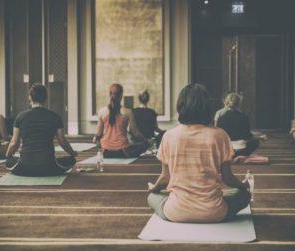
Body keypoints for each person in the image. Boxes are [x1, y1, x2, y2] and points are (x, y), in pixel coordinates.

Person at [147, 84, 250, 223]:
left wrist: (154, 188)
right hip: (214, 212)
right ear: (207, 107)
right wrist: (244, 186)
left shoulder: (169, 136)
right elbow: (228, 179)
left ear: (180, 106)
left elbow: (165, 179)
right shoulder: (220, 135)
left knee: (152, 197)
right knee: (244, 195)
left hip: (176, 212)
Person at [6, 84, 77, 176]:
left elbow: (14, 142)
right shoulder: (55, 117)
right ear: (45, 98)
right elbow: (62, 141)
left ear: (30, 97)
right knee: (71, 160)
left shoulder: (20, 117)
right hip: (48, 167)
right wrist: (73, 153)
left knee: (8, 161)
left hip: (24, 167)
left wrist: (7, 156)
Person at [94, 83, 149, 158]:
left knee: (97, 142)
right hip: (122, 151)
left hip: (106, 151)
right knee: (143, 145)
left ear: (109, 95)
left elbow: (98, 134)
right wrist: (146, 141)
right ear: (121, 96)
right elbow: (136, 134)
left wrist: (97, 141)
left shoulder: (102, 111)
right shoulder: (128, 112)